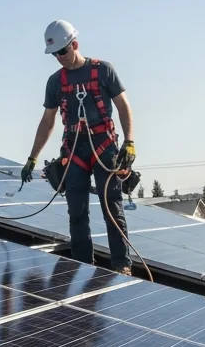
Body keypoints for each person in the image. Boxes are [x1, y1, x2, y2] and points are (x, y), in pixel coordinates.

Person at [19, 21, 137, 274]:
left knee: (111, 208)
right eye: (55, 54)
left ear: (75, 44)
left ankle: (122, 266)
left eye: (62, 51)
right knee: (77, 212)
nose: (59, 58)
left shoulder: (103, 70)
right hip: (74, 150)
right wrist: (32, 158)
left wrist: (129, 141)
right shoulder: (55, 82)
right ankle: (84, 265)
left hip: (103, 147)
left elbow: (123, 106)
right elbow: (47, 121)